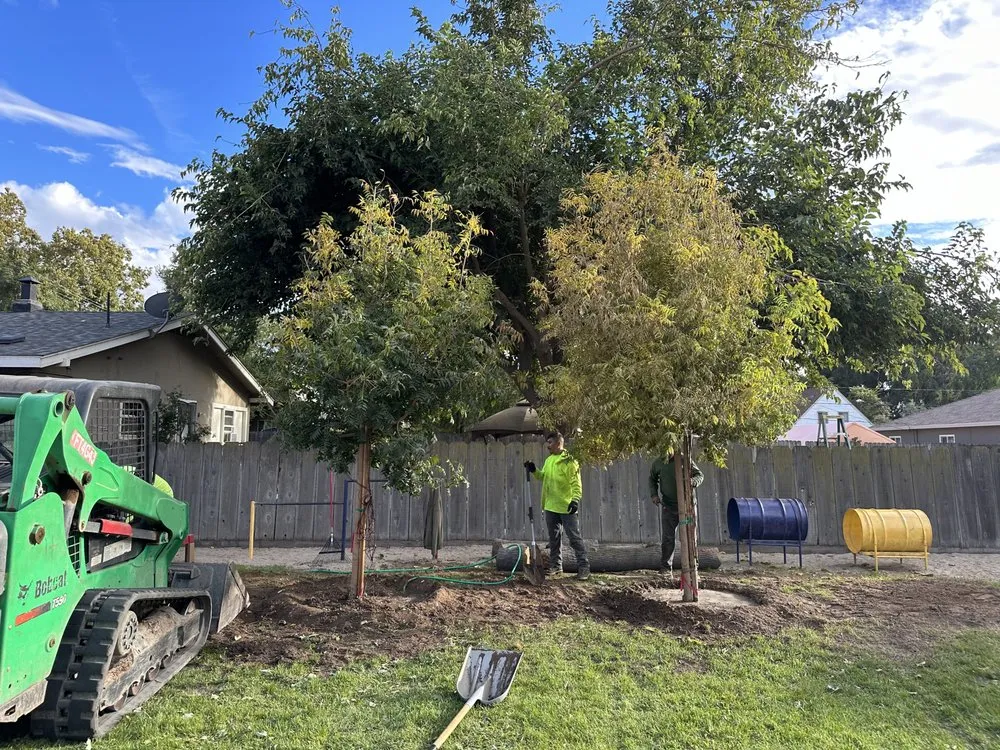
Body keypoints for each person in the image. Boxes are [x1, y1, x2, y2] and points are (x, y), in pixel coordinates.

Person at [524, 431, 591, 580]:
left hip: (566, 506)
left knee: (574, 537)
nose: (547, 445)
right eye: (547, 443)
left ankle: (584, 567)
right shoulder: (549, 460)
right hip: (550, 506)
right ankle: (556, 567)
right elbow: (543, 477)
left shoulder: (570, 461)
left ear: (558, 443)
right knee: (554, 539)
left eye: (550, 443)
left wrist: (575, 500)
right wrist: (534, 470)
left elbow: (576, 483)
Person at [649, 450, 704, 571]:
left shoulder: (685, 460)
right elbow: (652, 479)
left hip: (687, 506)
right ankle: (666, 568)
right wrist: (654, 495)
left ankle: (693, 566)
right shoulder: (658, 463)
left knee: (690, 536)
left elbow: (699, 475)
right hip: (668, 506)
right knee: (668, 538)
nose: (668, 453)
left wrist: (692, 482)